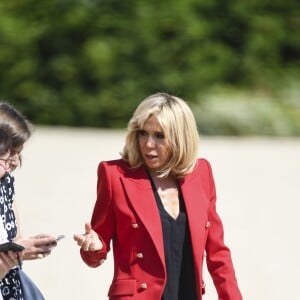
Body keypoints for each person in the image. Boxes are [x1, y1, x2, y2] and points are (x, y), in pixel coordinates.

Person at [74, 93, 243, 300]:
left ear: (181, 138)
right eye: (143, 133)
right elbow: (96, 248)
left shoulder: (201, 174)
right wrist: (94, 246)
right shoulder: (114, 175)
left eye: (160, 136)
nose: (148, 144)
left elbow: (218, 253)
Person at [0, 102, 58, 299]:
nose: (15, 161)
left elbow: (14, 240)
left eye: (19, 153)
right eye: (10, 153)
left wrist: (25, 248)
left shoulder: (6, 185)